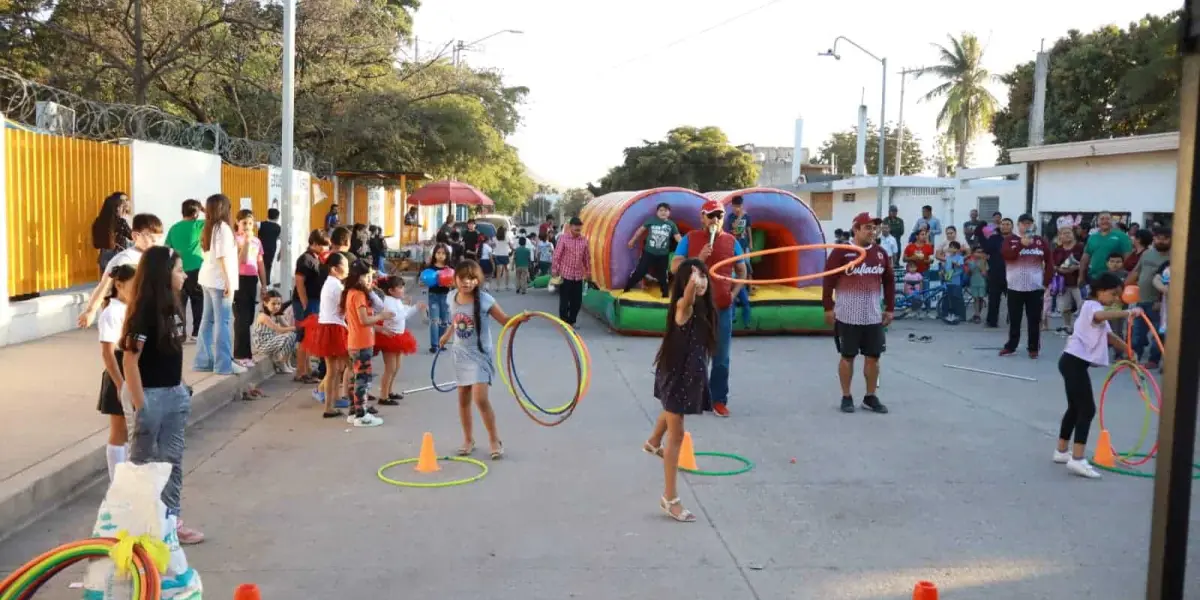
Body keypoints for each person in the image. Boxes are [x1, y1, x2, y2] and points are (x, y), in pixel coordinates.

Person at [121, 246, 205, 544]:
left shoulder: (174, 304)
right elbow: (130, 360)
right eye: (179, 269)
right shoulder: (143, 311)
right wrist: (141, 404)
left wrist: (181, 386)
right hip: (150, 395)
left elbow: (173, 352)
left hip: (174, 394)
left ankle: (170, 522)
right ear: (162, 273)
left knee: (172, 461)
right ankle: (135, 526)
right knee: (143, 464)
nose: (184, 275)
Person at [642, 258, 715, 523]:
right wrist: (691, 288)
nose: (700, 280)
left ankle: (652, 442)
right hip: (675, 376)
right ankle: (670, 498)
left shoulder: (705, 313)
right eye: (693, 276)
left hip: (688, 376)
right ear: (684, 284)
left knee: (673, 412)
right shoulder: (683, 309)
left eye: (703, 275)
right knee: (677, 434)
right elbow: (687, 300)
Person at [1055, 273, 1137, 479]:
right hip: (1073, 362)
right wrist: (1128, 313)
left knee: (1075, 407)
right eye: (1114, 294)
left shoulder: (1097, 308)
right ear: (1101, 291)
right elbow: (1100, 317)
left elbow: (1109, 335)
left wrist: (1129, 351)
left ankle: (1062, 451)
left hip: (1073, 363)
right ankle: (1078, 459)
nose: (1116, 299)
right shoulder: (1091, 306)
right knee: (1087, 409)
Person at [670, 200, 748, 418]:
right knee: (693, 354)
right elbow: (675, 266)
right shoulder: (690, 239)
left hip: (722, 308)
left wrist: (733, 295)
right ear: (702, 217)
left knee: (721, 357)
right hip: (696, 307)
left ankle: (718, 399)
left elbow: (742, 271)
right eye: (710, 215)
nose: (715, 220)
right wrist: (698, 259)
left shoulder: (732, 241)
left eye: (719, 215)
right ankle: (692, 397)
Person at [438, 260, 521, 460]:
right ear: (455, 278)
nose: (467, 282)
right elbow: (455, 320)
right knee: (463, 398)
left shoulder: (485, 299)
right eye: (462, 278)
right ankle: (468, 439)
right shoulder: (451, 297)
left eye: (471, 278)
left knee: (480, 398)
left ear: (478, 280)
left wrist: (521, 318)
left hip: (480, 354)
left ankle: (494, 439)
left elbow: (505, 320)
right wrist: (447, 335)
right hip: (460, 354)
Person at [822, 212, 894, 414]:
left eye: (874, 228)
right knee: (847, 356)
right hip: (847, 315)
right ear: (856, 229)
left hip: (872, 316)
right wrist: (828, 307)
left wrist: (889, 308)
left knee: (874, 357)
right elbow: (828, 280)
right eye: (868, 227)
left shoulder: (880, 254)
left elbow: (889, 281)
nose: (872, 231)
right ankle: (846, 396)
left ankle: (870, 397)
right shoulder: (841, 253)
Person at [78, 214, 165, 328]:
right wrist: (90, 311)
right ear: (135, 236)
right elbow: (104, 285)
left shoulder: (156, 257)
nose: (154, 240)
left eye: (158, 236)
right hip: (127, 316)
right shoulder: (125, 258)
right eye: (148, 235)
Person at [194, 194, 243, 375]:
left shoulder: (209, 227)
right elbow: (222, 257)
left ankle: (203, 361)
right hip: (219, 281)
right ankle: (223, 364)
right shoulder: (222, 228)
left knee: (207, 321)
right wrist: (228, 282)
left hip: (207, 279)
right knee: (223, 322)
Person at [96, 264, 136, 482]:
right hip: (119, 372)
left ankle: (127, 475)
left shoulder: (129, 307)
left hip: (131, 370)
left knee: (131, 428)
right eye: (134, 286)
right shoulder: (111, 312)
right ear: (119, 285)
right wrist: (120, 384)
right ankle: (116, 480)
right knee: (118, 429)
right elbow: (108, 353)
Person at [341, 260, 392, 427]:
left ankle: (353, 411)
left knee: (356, 378)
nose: (369, 280)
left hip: (356, 341)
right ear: (358, 277)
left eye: (370, 276)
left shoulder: (351, 293)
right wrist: (381, 317)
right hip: (361, 342)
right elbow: (364, 320)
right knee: (362, 379)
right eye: (366, 276)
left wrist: (379, 329)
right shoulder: (359, 295)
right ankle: (361, 414)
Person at [300, 252, 351, 418]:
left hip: (329, 326)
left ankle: (331, 402)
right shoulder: (336, 286)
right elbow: (345, 308)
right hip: (334, 328)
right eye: (345, 265)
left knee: (334, 369)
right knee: (345, 367)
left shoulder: (332, 283)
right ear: (335, 269)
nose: (348, 269)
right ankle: (334, 403)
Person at [1000, 214, 1051, 359]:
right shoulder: (1010, 240)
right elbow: (1006, 255)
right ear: (1018, 225)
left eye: (1029, 223)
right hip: (1015, 287)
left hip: (1035, 287)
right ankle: (1011, 346)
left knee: (1034, 319)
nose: (1026, 226)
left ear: (1033, 225)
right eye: (1023, 223)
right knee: (1014, 319)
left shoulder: (1040, 241)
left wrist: (1047, 281)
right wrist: (1022, 244)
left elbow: (1049, 261)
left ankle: (1033, 348)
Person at [1125, 226, 1170, 369]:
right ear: (1154, 239)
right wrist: (1123, 287)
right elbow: (1137, 271)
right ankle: (1134, 357)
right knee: (1137, 332)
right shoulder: (1147, 254)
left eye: (1165, 239)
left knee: (1157, 334)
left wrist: (1160, 300)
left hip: (1158, 303)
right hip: (1140, 299)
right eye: (1158, 238)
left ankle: (1153, 360)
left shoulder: (1174, 257)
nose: (1161, 241)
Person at [291, 230, 330, 383]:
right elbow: (299, 282)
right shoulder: (305, 259)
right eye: (322, 245)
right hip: (305, 302)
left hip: (314, 300)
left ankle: (306, 369)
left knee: (309, 336)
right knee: (304, 337)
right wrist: (304, 302)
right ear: (314, 243)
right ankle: (301, 372)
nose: (325, 248)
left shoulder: (316, 258)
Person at [374, 275, 421, 402]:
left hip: (398, 335)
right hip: (390, 336)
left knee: (397, 366)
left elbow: (402, 311)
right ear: (391, 291)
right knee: (390, 368)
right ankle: (383, 395)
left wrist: (408, 307)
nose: (403, 290)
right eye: (400, 288)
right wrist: (414, 309)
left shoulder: (396, 300)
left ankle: (389, 391)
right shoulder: (388, 302)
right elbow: (398, 317)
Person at [165, 199, 205, 340]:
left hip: (178, 269)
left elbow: (167, 247)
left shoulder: (174, 228)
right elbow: (216, 220)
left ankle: (180, 333)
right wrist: (204, 210)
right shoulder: (199, 224)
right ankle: (196, 332)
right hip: (196, 268)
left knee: (179, 303)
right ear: (196, 213)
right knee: (198, 300)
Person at [233, 209, 267, 368]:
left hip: (252, 280)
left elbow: (260, 263)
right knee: (241, 318)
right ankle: (240, 354)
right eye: (244, 223)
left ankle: (247, 354)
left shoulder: (257, 241)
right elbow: (241, 260)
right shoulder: (235, 239)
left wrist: (264, 285)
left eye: (250, 223)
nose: (247, 226)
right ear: (237, 223)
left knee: (248, 318)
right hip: (239, 279)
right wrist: (245, 242)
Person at [624, 202, 681, 297]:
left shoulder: (671, 224)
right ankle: (626, 289)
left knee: (663, 276)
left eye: (666, 210)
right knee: (640, 272)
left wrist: (686, 247)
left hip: (663, 255)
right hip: (648, 253)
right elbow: (640, 230)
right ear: (657, 212)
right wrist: (633, 240)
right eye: (661, 210)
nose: (663, 212)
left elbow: (678, 237)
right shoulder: (652, 220)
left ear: (669, 213)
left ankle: (665, 296)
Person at [551, 217, 591, 328]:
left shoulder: (583, 240)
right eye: (576, 230)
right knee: (564, 300)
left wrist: (588, 271)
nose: (578, 232)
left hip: (578, 276)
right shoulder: (563, 239)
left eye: (579, 230)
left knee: (577, 302)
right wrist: (555, 270)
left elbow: (586, 257)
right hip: (565, 275)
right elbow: (557, 256)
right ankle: (564, 322)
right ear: (570, 227)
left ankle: (572, 321)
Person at [1080, 211, 1132, 285]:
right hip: (1094, 277)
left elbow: (1128, 257)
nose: (1105, 221)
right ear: (1097, 221)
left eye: (1107, 219)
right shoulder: (1092, 237)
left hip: (1114, 278)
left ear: (1112, 221)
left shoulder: (1122, 236)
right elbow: (1085, 258)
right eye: (1102, 219)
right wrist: (1081, 276)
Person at [252, 290, 297, 374]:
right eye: (273, 304)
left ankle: (287, 362)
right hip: (262, 344)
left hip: (272, 341)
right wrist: (296, 327)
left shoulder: (277, 315)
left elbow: (287, 327)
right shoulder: (263, 316)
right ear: (265, 303)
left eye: (279, 304)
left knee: (293, 335)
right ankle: (280, 362)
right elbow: (279, 330)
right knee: (290, 335)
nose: (276, 306)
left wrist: (294, 329)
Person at [1051, 227, 1085, 333]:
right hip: (1063, 283)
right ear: (1059, 237)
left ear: (1073, 234)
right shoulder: (1057, 250)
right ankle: (1067, 326)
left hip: (1079, 283)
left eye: (1068, 233)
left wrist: (1077, 267)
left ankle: (1082, 328)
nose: (1066, 235)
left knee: (1083, 307)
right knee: (1065, 307)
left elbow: (1087, 261)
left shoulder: (1080, 247)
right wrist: (1059, 269)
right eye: (1063, 233)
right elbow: (1052, 265)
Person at [421, 245, 453, 354]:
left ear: (447, 255)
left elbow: (454, 283)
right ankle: (434, 345)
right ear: (434, 254)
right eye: (438, 253)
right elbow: (422, 282)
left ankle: (441, 343)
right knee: (434, 321)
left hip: (446, 297)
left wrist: (449, 281)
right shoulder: (430, 268)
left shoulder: (449, 268)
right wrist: (432, 278)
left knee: (444, 321)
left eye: (443, 253)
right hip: (433, 296)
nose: (440, 255)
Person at [92, 191, 132, 274]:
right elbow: (132, 236)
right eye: (122, 203)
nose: (125, 204)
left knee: (105, 285)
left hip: (103, 256)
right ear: (117, 207)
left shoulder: (99, 221)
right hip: (118, 257)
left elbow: (96, 243)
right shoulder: (121, 222)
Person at [983, 218, 1012, 328]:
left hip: (1012, 273)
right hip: (995, 272)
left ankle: (1013, 319)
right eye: (1003, 224)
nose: (1005, 226)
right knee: (994, 298)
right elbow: (985, 253)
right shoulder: (993, 238)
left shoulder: (1016, 239)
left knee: (1013, 299)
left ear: (1012, 226)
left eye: (1008, 224)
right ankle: (992, 321)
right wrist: (993, 226)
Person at [258, 208, 282, 284]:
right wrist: (280, 252)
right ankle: (267, 282)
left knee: (260, 264)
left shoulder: (261, 224)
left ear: (267, 215)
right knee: (268, 265)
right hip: (271, 249)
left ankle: (263, 281)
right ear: (277, 217)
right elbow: (282, 239)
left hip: (260, 248)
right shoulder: (278, 228)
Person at [966, 247, 988, 323]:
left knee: (981, 298)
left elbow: (985, 273)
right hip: (974, 282)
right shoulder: (970, 262)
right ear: (973, 253)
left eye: (981, 252)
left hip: (982, 283)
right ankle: (977, 315)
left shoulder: (984, 262)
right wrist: (969, 268)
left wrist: (981, 266)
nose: (979, 254)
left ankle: (977, 314)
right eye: (977, 252)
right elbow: (968, 273)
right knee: (976, 299)